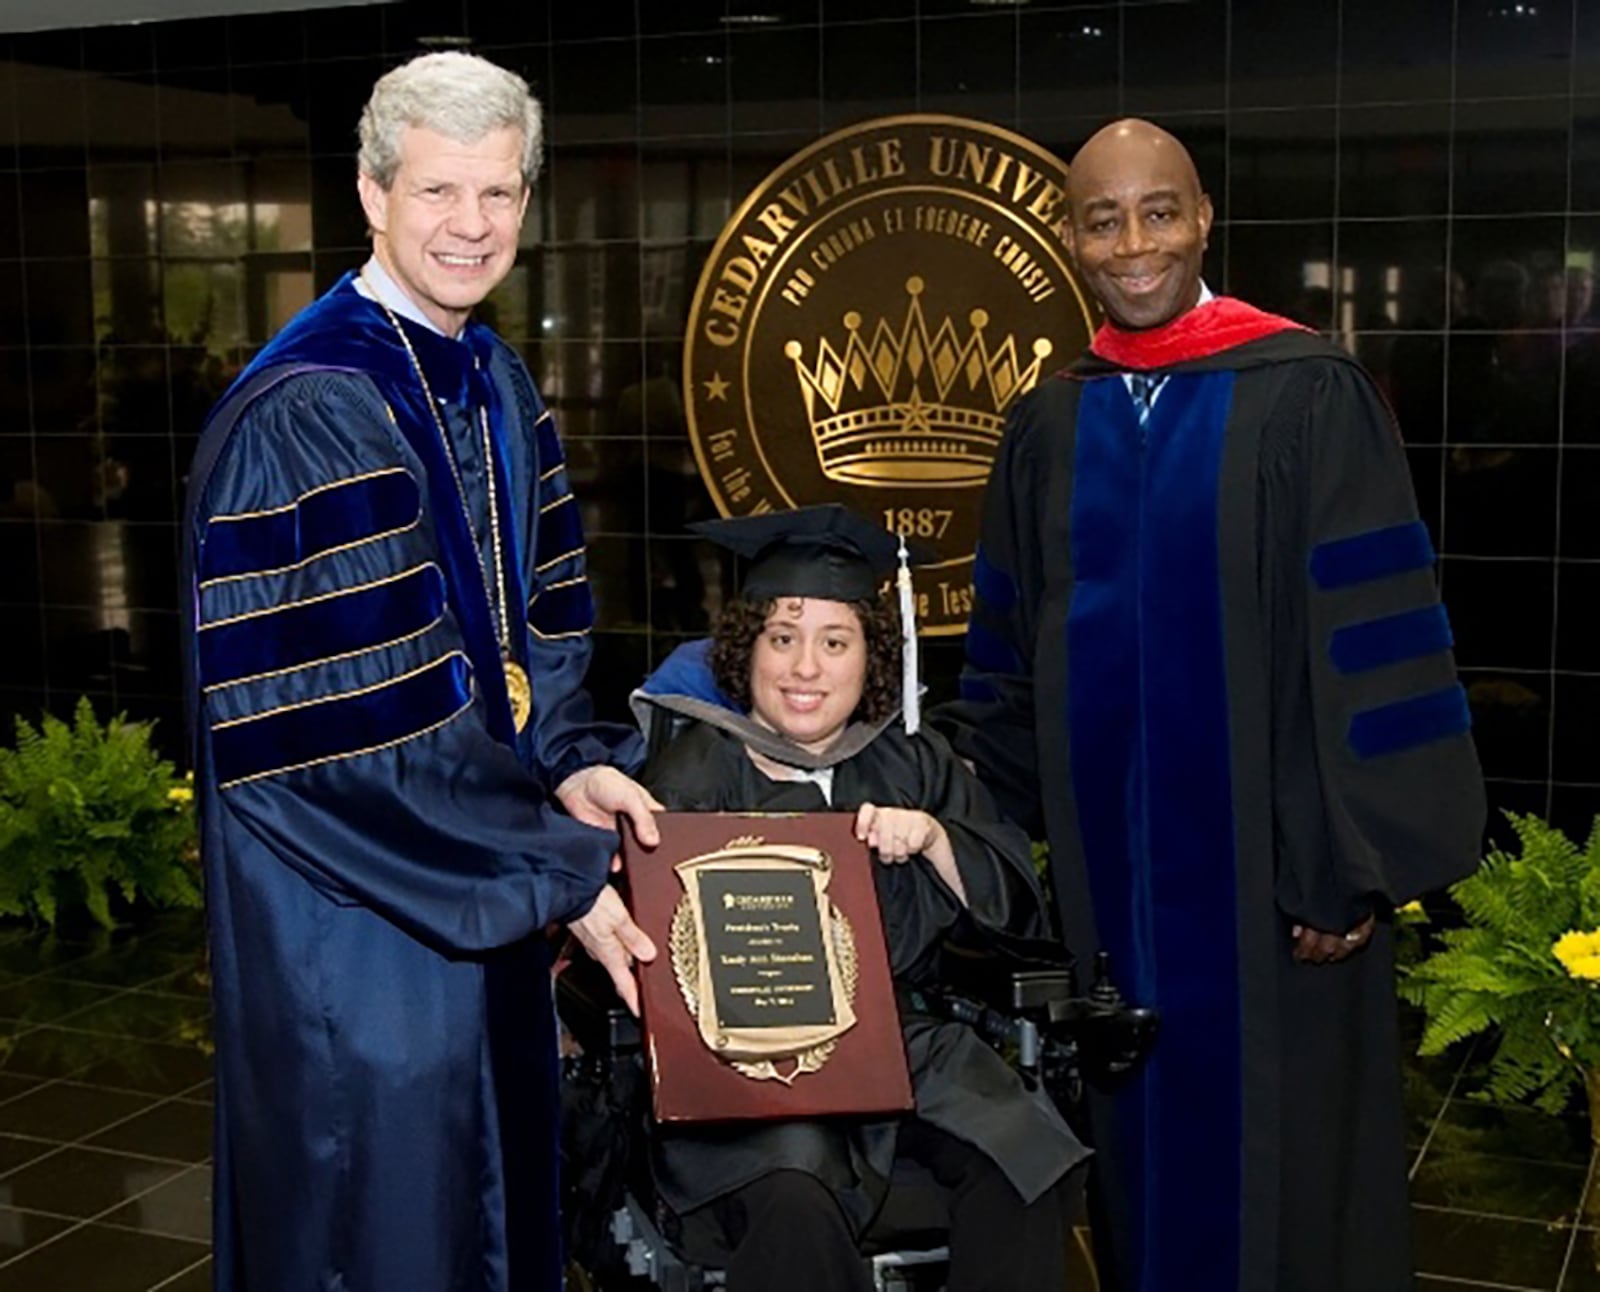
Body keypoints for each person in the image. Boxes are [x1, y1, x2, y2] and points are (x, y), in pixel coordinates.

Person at [936, 119, 1486, 1292]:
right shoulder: (1049, 421)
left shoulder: (1305, 393)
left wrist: (1350, 858)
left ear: (1202, 219)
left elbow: (1373, 642)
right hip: (1109, 885)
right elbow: (1007, 654)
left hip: (1275, 880)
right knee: (1135, 1157)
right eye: (1102, 219)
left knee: (1288, 1168)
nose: (1133, 243)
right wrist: (977, 834)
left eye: (1157, 211)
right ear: (1071, 239)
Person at [180, 52, 659, 1292]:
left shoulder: (490, 375)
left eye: (499, 194)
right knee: (384, 1227)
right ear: (371, 193)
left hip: (469, 875)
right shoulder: (315, 405)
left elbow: (540, 625)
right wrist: (551, 870)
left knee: (482, 1215)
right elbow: (335, 737)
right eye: (439, 191)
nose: (471, 226)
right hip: (355, 916)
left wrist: (568, 765)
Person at [630, 504, 1089, 1292]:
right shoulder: (690, 771)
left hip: (904, 1040)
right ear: (746, 651)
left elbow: (1021, 909)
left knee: (1026, 1163)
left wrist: (937, 839)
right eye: (783, 638)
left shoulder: (913, 765)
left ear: (871, 657)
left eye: (834, 642)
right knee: (794, 1198)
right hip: (748, 1061)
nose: (806, 668)